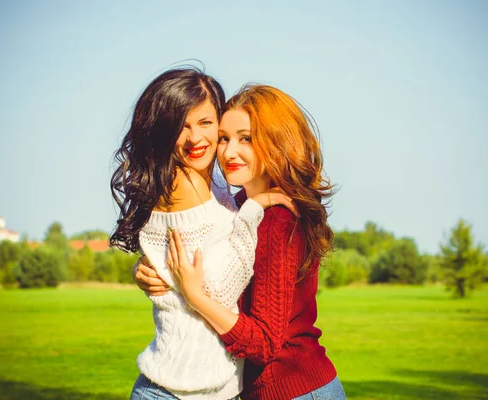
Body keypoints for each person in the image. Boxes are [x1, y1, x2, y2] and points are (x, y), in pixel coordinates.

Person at [138, 84, 346, 399]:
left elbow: (263, 343)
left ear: (276, 142)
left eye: (245, 138)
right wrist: (151, 269)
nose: (228, 151)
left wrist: (195, 295)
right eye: (224, 138)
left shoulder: (279, 219)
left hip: (296, 390)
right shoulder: (238, 206)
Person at [110, 68, 294, 400]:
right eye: (182, 126)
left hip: (206, 389)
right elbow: (218, 291)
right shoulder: (184, 182)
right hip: (177, 391)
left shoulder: (213, 181)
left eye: (206, 123)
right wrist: (255, 208)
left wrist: (146, 268)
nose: (196, 138)